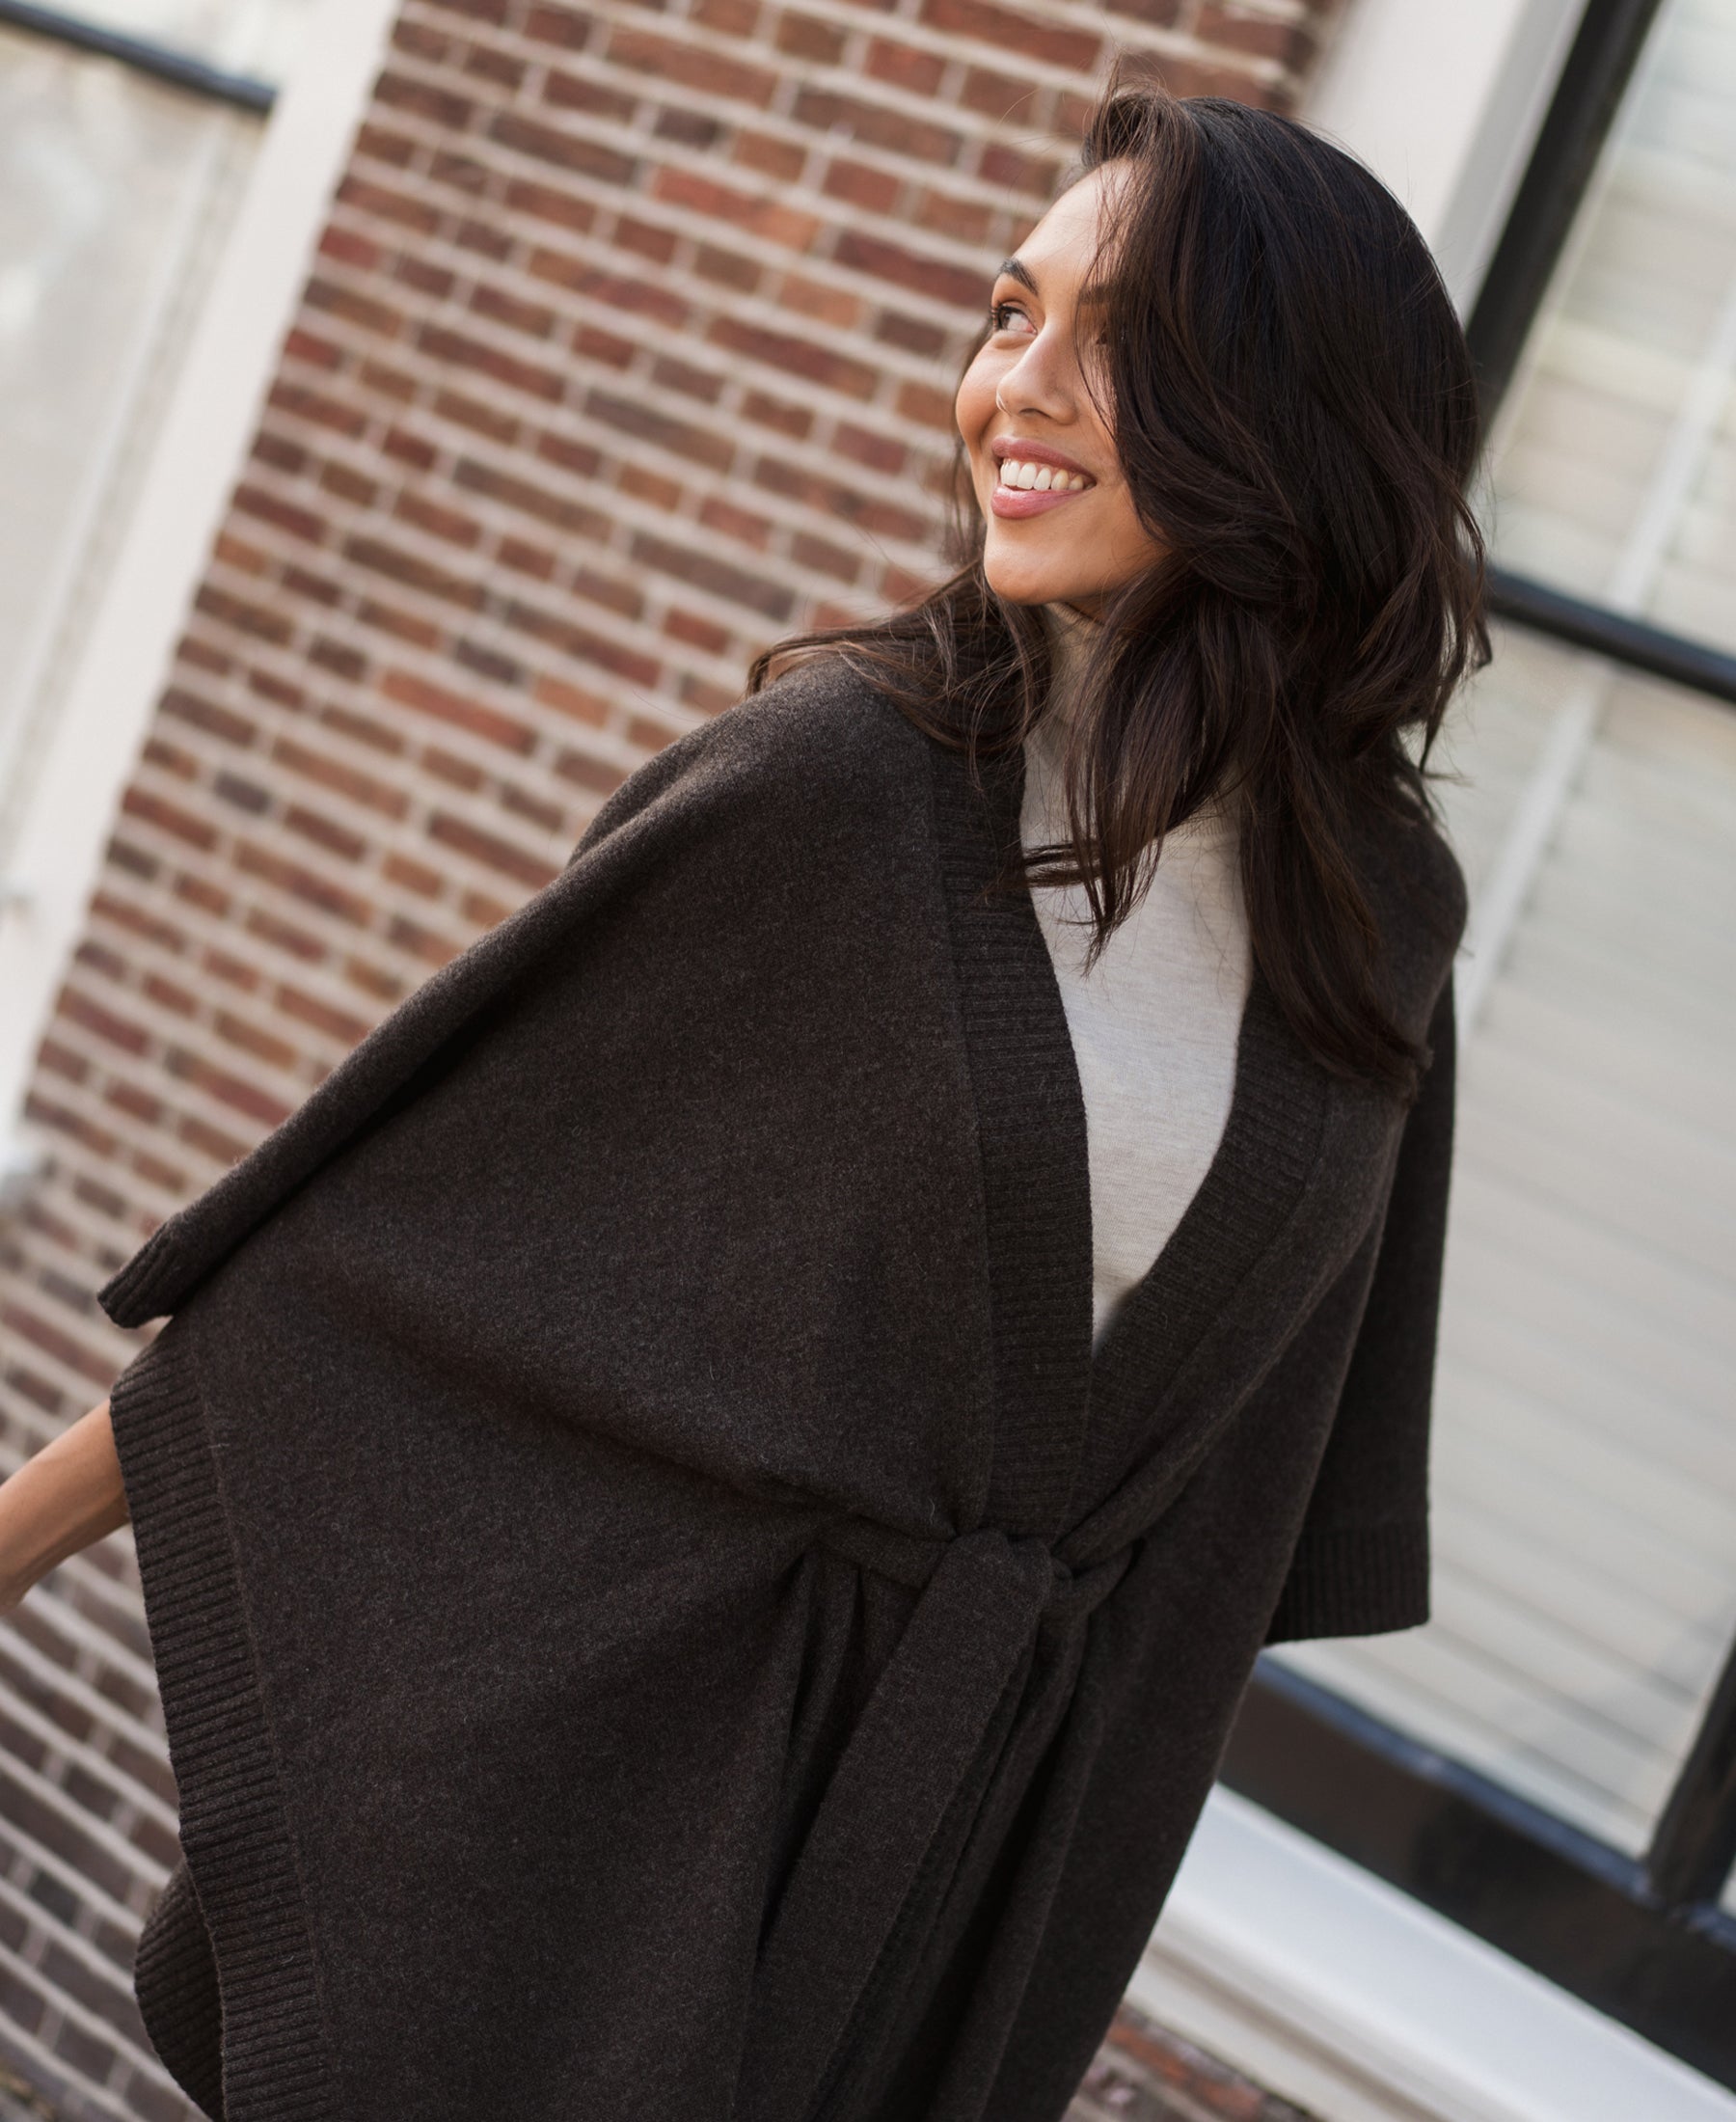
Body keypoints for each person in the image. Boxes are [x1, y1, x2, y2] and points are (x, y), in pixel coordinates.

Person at [0, 79, 1484, 2122]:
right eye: (1002, 309)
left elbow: (1227, 1527)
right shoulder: (843, 791)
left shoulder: (1379, 919)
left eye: (1115, 339)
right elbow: (378, 1255)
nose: (1010, 386)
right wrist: (7, 1541)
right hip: (634, 1845)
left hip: (966, 1876)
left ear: (1300, 416)